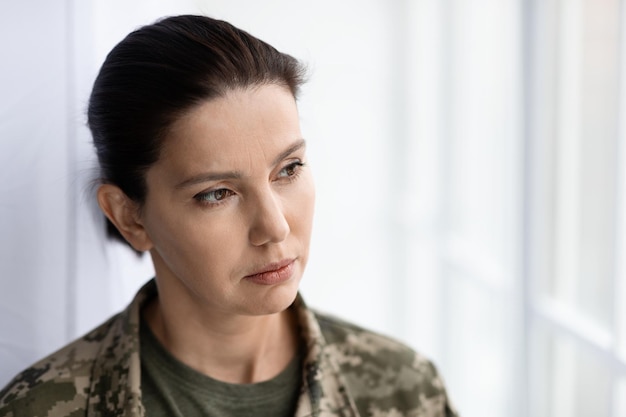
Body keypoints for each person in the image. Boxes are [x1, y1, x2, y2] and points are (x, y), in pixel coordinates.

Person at [0, 15, 457, 417]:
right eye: (217, 193)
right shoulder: (40, 408)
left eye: (289, 169)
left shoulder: (405, 392)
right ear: (129, 217)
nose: (275, 227)